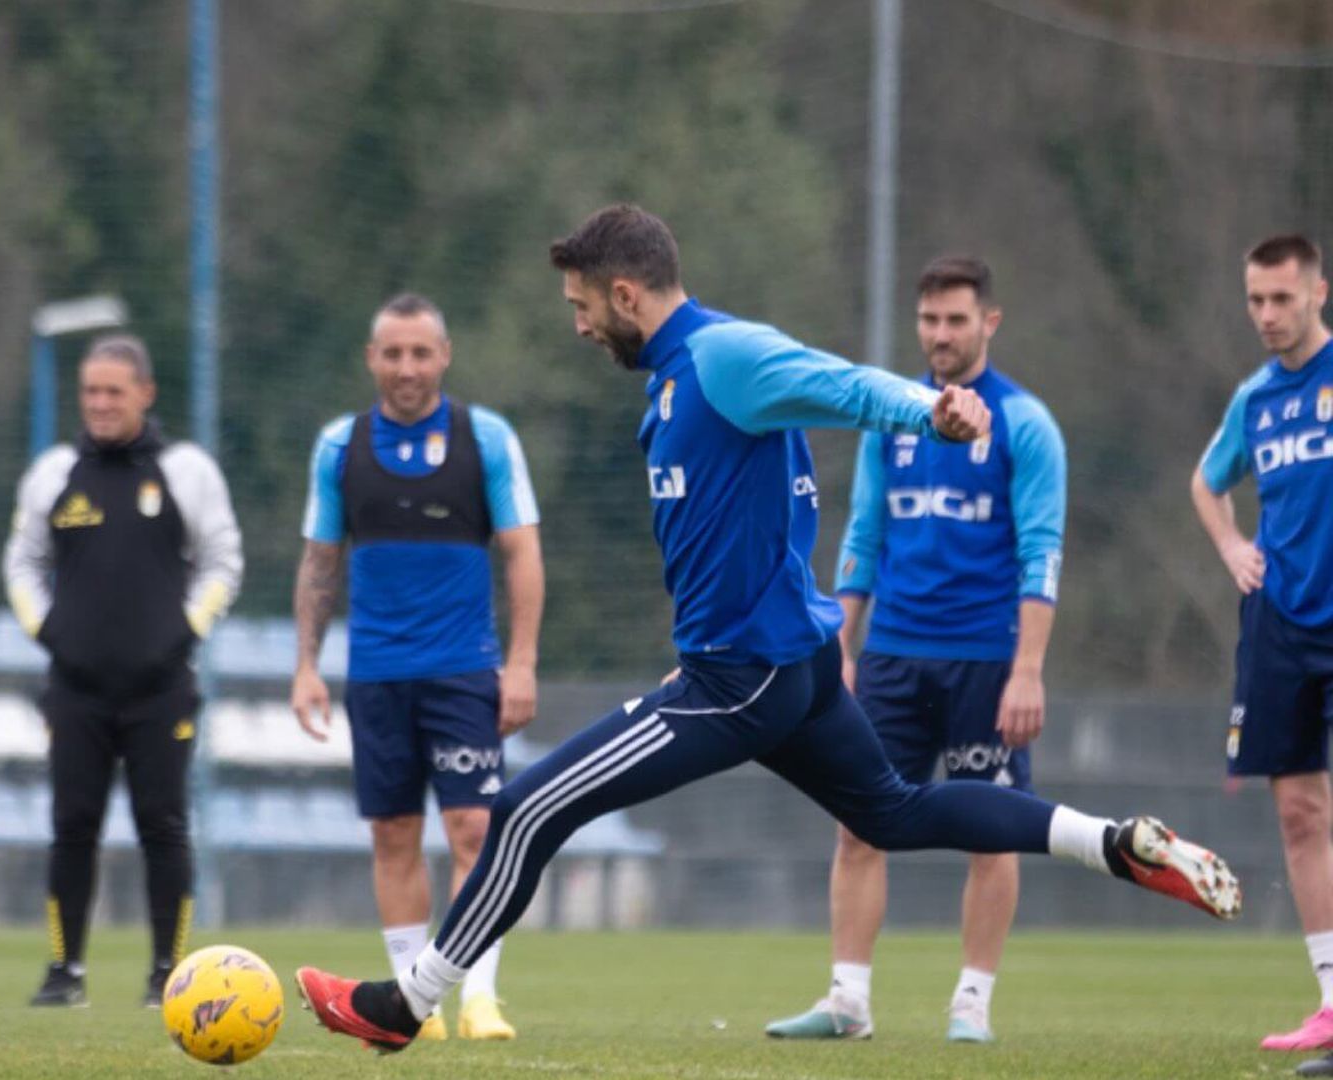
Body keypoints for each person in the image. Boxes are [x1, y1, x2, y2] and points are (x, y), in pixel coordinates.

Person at [294, 204, 1241, 1054]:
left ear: (627, 293)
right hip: (779, 668)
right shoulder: (674, 374)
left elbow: (845, 383)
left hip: (741, 676)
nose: (577, 324)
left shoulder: (723, 356)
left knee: (526, 809)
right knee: (897, 813)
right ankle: (1114, 841)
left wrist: (933, 409)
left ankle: (403, 1005)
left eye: (583, 305)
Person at [766, 256, 1065, 1044]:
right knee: (858, 822)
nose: (940, 334)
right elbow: (864, 536)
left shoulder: (1025, 425)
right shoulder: (896, 419)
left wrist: (1027, 668)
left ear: (988, 323)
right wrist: (841, 643)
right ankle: (846, 1002)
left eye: (956, 320)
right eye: (929, 319)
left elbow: (1042, 551)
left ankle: (971, 1006)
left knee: (992, 829)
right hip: (894, 657)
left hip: (984, 662)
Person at [289, 293, 544, 1042]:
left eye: (421, 352)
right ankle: (414, 1003)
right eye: (393, 353)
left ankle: (479, 999)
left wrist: (522, 664)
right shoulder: (339, 447)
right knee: (393, 835)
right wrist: (306, 664)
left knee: (474, 828)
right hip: (375, 674)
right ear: (372, 359)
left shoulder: (485, 439)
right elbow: (318, 562)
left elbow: (523, 552)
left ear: (445, 355)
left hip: (464, 670)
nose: (407, 367)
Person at [3, 334, 242, 1009]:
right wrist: (47, 630)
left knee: (163, 826)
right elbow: (20, 562)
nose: (101, 404)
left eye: (114, 391)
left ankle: (169, 974)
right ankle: (64, 972)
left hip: (161, 691)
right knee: (72, 826)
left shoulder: (186, 470)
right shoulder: (53, 473)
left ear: (145, 393)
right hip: (75, 691)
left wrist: (184, 631)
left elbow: (225, 560)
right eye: (90, 392)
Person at [1190, 235, 1333, 1054]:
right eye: (1256, 300)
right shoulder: (1253, 400)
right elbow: (1207, 482)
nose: (1268, 316)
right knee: (1300, 809)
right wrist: (1231, 547)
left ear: (1319, 293)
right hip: (1281, 623)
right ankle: (1329, 999)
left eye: (1283, 298)